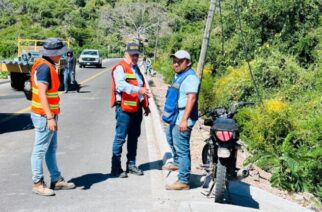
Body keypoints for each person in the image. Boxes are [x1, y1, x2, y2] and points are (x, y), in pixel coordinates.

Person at [30, 38, 75, 196]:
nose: (61, 56)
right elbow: (42, 93)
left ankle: (56, 180)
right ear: (53, 54)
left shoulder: (46, 64)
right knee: (39, 150)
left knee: (51, 148)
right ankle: (37, 183)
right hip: (44, 116)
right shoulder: (44, 68)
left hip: (49, 115)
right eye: (59, 53)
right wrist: (49, 117)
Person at [110, 42, 151, 178]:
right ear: (125, 54)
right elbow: (121, 85)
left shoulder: (136, 69)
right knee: (120, 138)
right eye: (133, 55)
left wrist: (145, 105)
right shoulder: (120, 68)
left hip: (136, 108)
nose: (135, 57)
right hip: (124, 109)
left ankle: (131, 164)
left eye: (137, 55)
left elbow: (142, 87)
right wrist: (138, 89)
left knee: (134, 137)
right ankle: (115, 168)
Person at [162, 50, 200, 190]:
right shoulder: (179, 75)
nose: (175, 63)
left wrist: (184, 120)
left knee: (182, 148)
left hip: (183, 117)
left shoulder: (190, 78)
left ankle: (183, 181)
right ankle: (177, 163)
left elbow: (192, 98)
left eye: (179, 61)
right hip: (176, 116)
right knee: (170, 136)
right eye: (174, 60)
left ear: (188, 63)